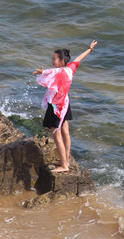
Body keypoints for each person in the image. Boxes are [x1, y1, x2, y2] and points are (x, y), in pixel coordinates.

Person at [32, 40, 98, 173]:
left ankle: (64, 166)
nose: (52, 60)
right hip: (65, 104)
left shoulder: (57, 72)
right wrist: (90, 49)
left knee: (56, 135)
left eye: (54, 59)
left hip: (57, 108)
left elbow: (50, 72)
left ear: (62, 61)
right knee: (66, 133)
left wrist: (42, 72)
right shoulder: (70, 69)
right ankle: (65, 159)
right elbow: (79, 58)